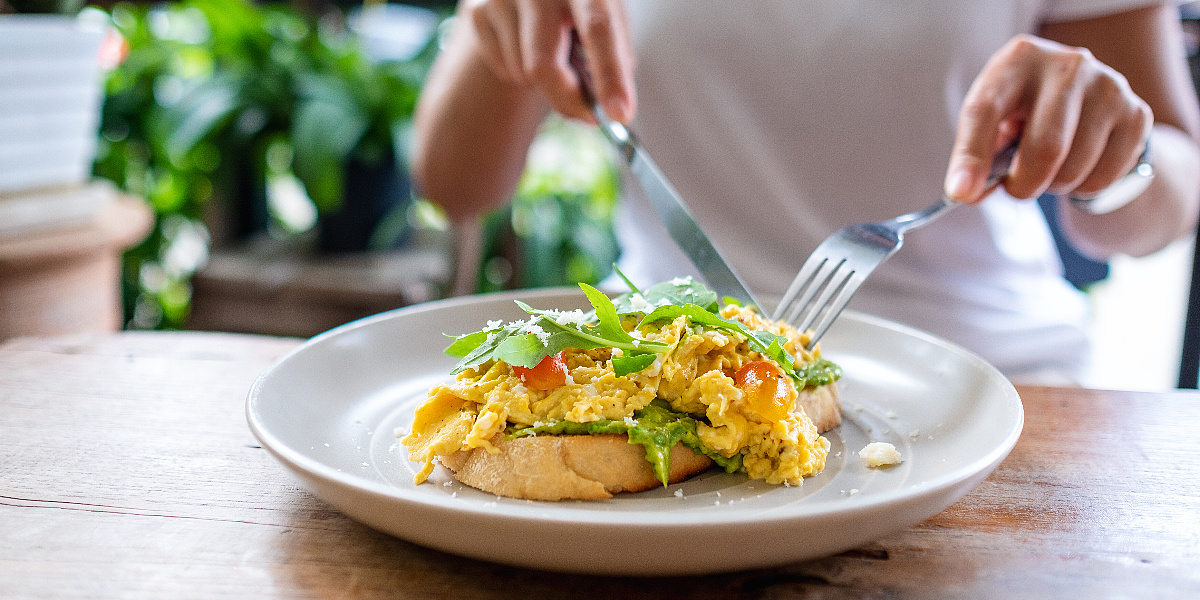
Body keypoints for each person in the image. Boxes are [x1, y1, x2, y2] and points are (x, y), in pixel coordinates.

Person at [411, 0, 1200, 384]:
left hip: (1003, 385)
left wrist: (1116, 157)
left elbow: (1177, 184)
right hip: (663, 370)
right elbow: (452, 182)